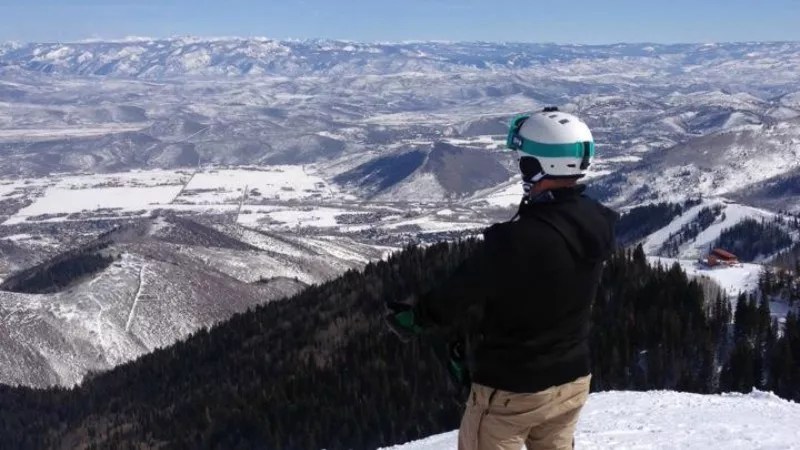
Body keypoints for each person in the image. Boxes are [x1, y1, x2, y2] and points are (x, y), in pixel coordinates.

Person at [386, 107, 618, 450]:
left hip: (514, 389)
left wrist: (416, 318)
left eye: (525, 162)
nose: (522, 169)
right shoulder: (597, 221)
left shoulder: (517, 240)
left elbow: (460, 291)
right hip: (571, 380)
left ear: (539, 165)